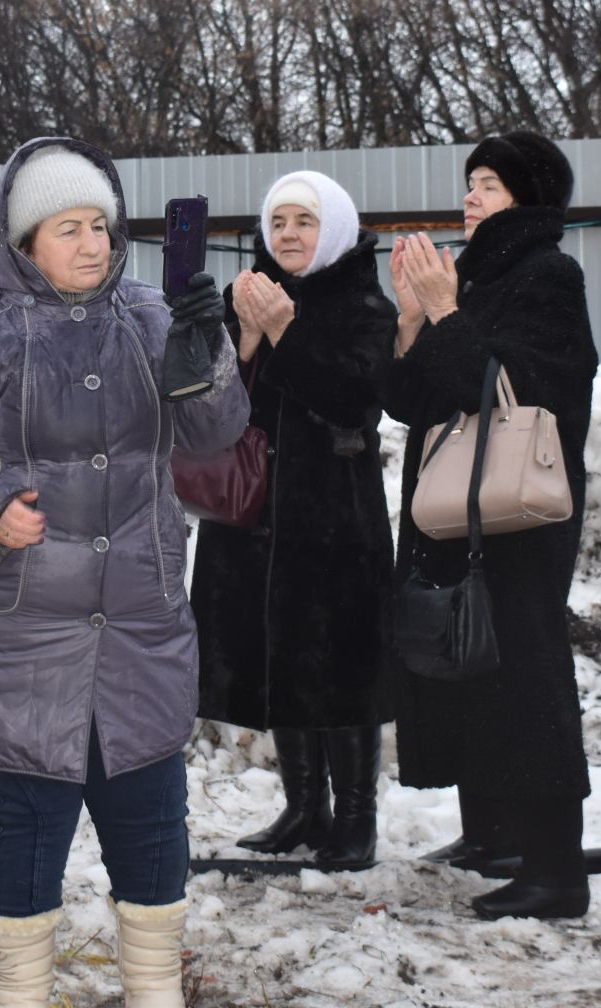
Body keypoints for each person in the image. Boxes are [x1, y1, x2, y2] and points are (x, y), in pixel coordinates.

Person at [0, 137, 249, 1007]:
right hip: (17, 631)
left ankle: (156, 992)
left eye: (101, 226)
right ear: (23, 240)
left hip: (138, 622)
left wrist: (210, 354)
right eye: (68, 229)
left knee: (154, 825)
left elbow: (215, 436)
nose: (93, 245)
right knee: (29, 829)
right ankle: (22, 995)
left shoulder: (153, 317)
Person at [381, 131, 598, 920]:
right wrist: (413, 322)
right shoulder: (468, 278)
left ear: (528, 200)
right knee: (467, 662)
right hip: (458, 509)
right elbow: (408, 401)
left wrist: (445, 311)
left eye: (490, 186)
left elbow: (517, 387)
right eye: (470, 183)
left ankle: (555, 869)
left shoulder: (549, 274)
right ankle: (493, 833)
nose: (470, 197)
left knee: (529, 678)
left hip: (522, 514)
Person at [192, 170, 396, 868]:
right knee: (278, 662)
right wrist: (246, 339)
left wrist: (287, 331)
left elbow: (355, 401)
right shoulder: (242, 296)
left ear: (332, 227)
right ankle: (303, 807)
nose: (288, 235)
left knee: (340, 669)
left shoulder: (365, 306)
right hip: (251, 515)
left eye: (303, 222)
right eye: (277, 223)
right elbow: (204, 405)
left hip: (334, 522)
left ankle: (357, 819)